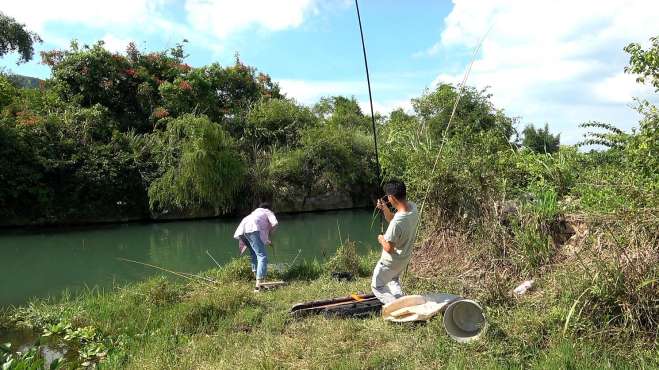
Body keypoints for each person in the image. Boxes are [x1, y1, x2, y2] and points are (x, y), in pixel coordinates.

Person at [372, 180, 419, 304]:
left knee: (377, 286)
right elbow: (395, 219)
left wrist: (381, 239)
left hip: (389, 263)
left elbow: (389, 248)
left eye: (388, 196)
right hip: (403, 260)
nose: (388, 199)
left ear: (392, 197)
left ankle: (397, 306)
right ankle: (401, 300)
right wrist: (385, 209)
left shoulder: (396, 223)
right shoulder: (413, 208)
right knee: (393, 280)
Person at [233, 202, 278, 291]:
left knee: (254, 253)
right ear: (268, 208)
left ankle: (256, 277)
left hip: (242, 231)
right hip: (251, 229)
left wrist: (268, 241)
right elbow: (275, 223)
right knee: (262, 256)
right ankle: (259, 285)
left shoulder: (255, 213)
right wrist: (271, 232)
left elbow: (260, 236)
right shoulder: (267, 211)